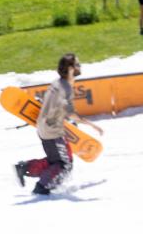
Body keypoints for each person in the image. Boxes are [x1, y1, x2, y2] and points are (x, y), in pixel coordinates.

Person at [14, 53, 103, 195]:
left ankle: (26, 167)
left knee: (56, 161)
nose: (80, 66)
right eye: (77, 64)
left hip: (46, 128)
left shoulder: (58, 82)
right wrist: (92, 125)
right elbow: (69, 111)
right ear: (70, 69)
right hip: (52, 131)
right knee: (64, 165)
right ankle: (42, 187)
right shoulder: (65, 86)